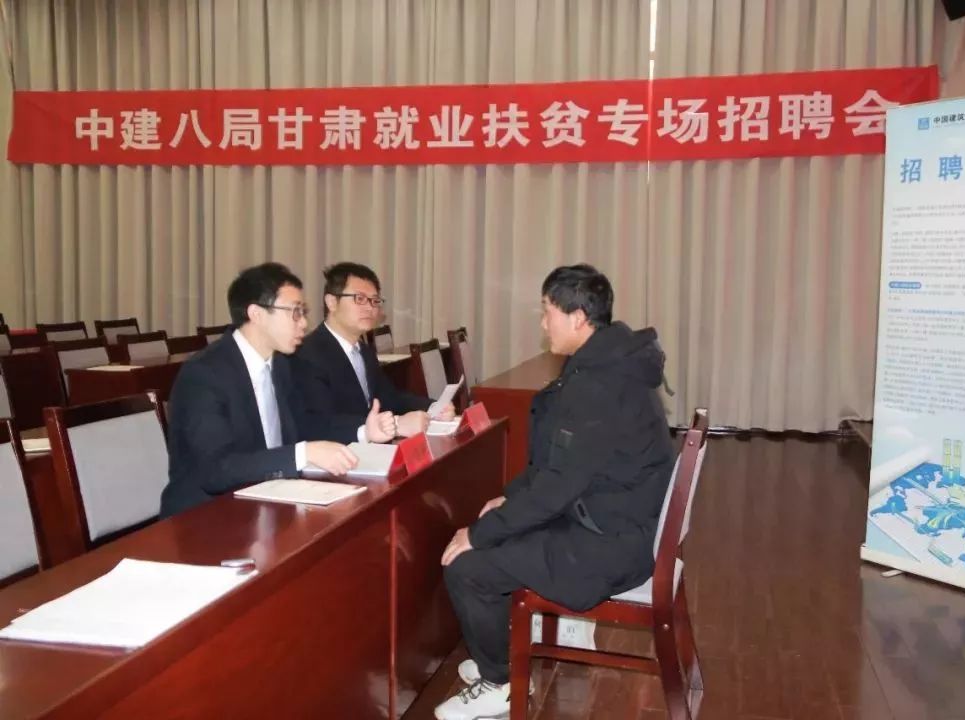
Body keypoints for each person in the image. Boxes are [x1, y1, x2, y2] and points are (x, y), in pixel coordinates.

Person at [434, 264, 675, 720]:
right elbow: (558, 465)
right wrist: (509, 499)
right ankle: (501, 655)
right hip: (615, 520)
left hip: (610, 543)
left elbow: (559, 484)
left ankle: (502, 682)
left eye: (547, 312)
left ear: (578, 317)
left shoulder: (598, 384)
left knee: (467, 567)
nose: (544, 324)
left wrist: (480, 534)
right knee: (498, 533)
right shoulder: (609, 363)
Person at [161, 262, 395, 517]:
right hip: (205, 515)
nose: (304, 323)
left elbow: (305, 423)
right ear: (257, 314)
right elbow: (216, 470)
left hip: (267, 498)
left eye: (303, 312)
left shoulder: (281, 364)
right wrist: (302, 453)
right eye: (294, 312)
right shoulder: (204, 374)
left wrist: (364, 431)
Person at [291, 262, 454, 438]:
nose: (370, 308)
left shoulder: (364, 350)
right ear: (332, 302)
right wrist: (395, 424)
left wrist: (433, 408)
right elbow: (319, 423)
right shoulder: (308, 354)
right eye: (359, 299)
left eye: (375, 301)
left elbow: (390, 398)